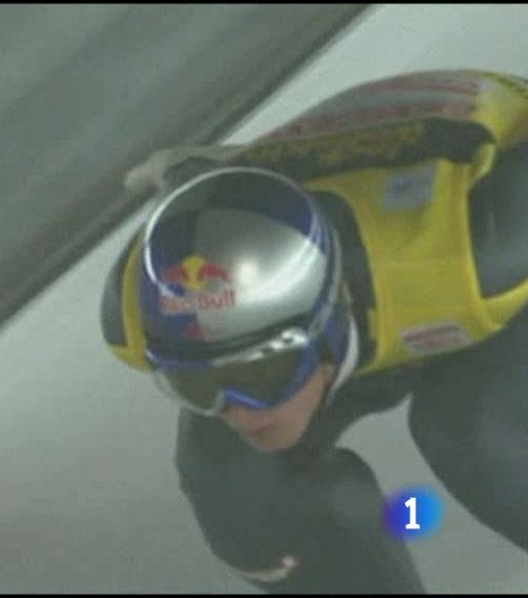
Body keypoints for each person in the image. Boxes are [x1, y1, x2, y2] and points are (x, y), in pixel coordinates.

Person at [100, 69, 528, 594]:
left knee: (471, 426)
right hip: (372, 237)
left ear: (332, 318)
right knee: (231, 483)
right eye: (198, 383)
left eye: (264, 371)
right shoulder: (134, 312)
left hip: (474, 207)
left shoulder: (484, 248)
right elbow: (195, 191)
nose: (239, 411)